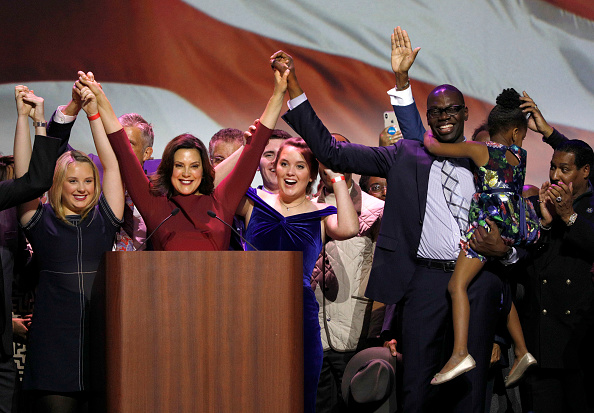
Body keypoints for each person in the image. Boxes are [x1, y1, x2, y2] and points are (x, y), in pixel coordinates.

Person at [278, 26, 516, 412]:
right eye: (436, 111)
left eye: (452, 110)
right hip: (424, 281)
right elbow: (330, 151)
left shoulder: (488, 162)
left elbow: (519, 227)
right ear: (428, 117)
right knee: (415, 387)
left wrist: (506, 252)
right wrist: (294, 89)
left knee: (471, 393)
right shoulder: (405, 155)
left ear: (465, 113)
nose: (444, 117)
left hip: (479, 278)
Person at [83, 59, 288, 251]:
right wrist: (101, 100)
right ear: (169, 169)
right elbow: (124, 151)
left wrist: (278, 95)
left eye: (194, 166)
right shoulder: (155, 205)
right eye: (179, 165)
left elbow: (254, 149)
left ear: (204, 170)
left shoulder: (221, 201)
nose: (186, 173)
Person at [15, 81, 124, 412]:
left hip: (101, 346)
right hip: (53, 351)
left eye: (89, 181)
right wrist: (23, 118)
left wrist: (93, 116)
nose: (82, 188)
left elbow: (114, 165)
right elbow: (25, 177)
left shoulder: (106, 218)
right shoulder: (40, 221)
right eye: (73, 181)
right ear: (59, 185)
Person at [236, 129, 359, 412]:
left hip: (298, 316)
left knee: (298, 397)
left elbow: (350, 227)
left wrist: (337, 177)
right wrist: (246, 150)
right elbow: (215, 188)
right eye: (284, 164)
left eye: (300, 166)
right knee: (252, 393)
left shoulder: (320, 214)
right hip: (252, 311)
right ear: (274, 168)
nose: (291, 172)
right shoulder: (253, 203)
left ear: (312, 174)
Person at [423, 89, 539, 386]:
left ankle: (460, 352)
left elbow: (438, 148)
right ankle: (523, 351)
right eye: (523, 134)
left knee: (456, 285)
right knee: (502, 287)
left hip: (487, 229)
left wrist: (424, 138)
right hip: (509, 229)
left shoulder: (482, 150)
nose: (523, 139)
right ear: (515, 132)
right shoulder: (519, 156)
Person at [516, 97, 594, 412]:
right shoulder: (540, 204)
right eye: (552, 167)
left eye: (565, 169)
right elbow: (529, 263)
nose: (556, 175)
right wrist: (545, 225)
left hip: (581, 338)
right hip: (543, 337)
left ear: (586, 172)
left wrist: (569, 218)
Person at [311, 134, 384, 413]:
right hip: (315, 332)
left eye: (338, 154)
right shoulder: (305, 206)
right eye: (324, 156)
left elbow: (384, 272)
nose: (332, 162)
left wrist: (378, 328)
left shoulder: (376, 209)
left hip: (356, 329)